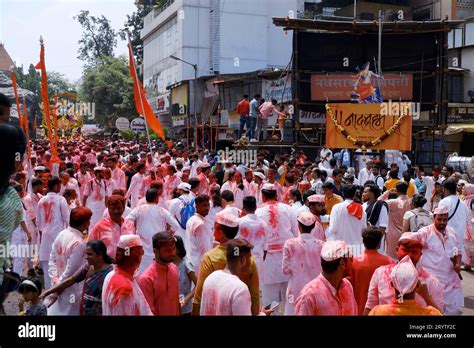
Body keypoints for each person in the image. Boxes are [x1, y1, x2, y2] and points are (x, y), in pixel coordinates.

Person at [192, 212, 260, 316]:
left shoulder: (210, 258)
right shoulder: (247, 258)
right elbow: (255, 294)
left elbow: (198, 297)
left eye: (214, 228)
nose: (213, 231)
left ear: (220, 231)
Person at [364, 232, 444, 315]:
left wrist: (426, 296)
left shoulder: (431, 281)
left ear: (420, 255)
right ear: (396, 250)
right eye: (405, 250)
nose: (408, 256)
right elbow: (370, 305)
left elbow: (440, 312)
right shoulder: (380, 273)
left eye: (414, 252)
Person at [411, 207, 464, 315]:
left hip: (451, 281)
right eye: (439, 219)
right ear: (433, 218)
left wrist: (458, 263)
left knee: (452, 311)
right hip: (432, 281)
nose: (442, 222)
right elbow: (408, 244)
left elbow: (458, 251)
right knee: (432, 311)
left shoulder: (452, 233)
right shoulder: (425, 233)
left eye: (445, 219)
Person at [40, 240, 114, 316]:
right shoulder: (88, 267)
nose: (86, 257)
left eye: (90, 254)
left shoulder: (111, 272)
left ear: (100, 255)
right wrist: (49, 291)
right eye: (86, 254)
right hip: (86, 310)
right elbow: (70, 280)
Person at [256, 183, 299, 313]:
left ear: (262, 196)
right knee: (289, 299)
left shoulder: (258, 212)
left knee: (270, 301)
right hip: (288, 260)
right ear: (277, 195)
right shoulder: (288, 209)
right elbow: (296, 233)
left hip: (268, 263)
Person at [47, 207, 92, 315]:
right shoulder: (79, 243)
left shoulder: (62, 234)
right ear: (85, 223)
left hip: (59, 283)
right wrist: (58, 286)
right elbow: (70, 271)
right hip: (70, 288)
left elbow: (52, 260)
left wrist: (55, 280)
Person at [125, 188, 181, 274]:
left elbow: (127, 220)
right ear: (156, 199)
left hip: (143, 245)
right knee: (157, 272)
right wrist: (169, 233)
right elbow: (176, 226)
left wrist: (133, 234)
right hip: (159, 246)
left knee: (142, 271)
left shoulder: (139, 209)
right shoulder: (162, 211)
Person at [294, 240, 357, 315]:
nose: (353, 262)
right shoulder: (308, 297)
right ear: (342, 264)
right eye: (351, 259)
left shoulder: (347, 286)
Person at [368, 255, 442, 316]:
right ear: (417, 285)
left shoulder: (377, 312)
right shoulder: (431, 313)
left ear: (391, 284)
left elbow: (401, 300)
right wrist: (426, 297)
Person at [282, 211, 324, 315]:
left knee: (293, 311)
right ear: (314, 227)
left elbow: (285, 270)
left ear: (299, 226)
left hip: (295, 289)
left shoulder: (290, 244)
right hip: (316, 289)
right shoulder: (322, 245)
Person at [102, 235, 152, 315]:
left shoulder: (110, 275)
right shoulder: (125, 289)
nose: (142, 255)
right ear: (136, 256)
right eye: (141, 252)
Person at [36, 176, 70, 290]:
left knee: (47, 272)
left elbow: (38, 224)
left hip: (45, 240)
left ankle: (49, 298)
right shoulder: (61, 199)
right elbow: (67, 219)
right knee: (60, 269)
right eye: (59, 186)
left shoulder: (41, 201)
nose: (60, 188)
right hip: (59, 239)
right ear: (55, 186)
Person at [350, 227, 391, 315]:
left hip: (359, 308)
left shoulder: (354, 262)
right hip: (381, 310)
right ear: (379, 244)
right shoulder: (388, 262)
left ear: (363, 243)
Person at [138, 232, 180, 316]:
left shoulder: (174, 269)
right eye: (167, 250)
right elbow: (148, 312)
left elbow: (176, 302)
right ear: (155, 252)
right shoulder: (146, 279)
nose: (172, 253)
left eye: (173, 248)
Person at [88, 195, 131, 260]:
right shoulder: (100, 227)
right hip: (107, 267)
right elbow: (90, 246)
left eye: (118, 208)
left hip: (127, 266)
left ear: (124, 208)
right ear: (108, 209)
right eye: (113, 208)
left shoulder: (130, 225)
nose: (116, 211)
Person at [236, 196, 268, 285]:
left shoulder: (239, 222)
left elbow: (235, 244)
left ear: (243, 208)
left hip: (242, 261)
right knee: (256, 291)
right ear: (255, 207)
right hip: (258, 261)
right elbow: (265, 250)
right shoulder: (263, 224)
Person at [438, 179, 469, 263]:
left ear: (445, 189)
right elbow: (467, 221)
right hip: (459, 240)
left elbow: (438, 220)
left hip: (447, 239)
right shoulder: (463, 203)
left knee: (445, 266)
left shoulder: (444, 202)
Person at [379, 182, 411, 259]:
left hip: (392, 234)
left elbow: (378, 202)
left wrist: (388, 192)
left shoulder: (392, 202)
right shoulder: (411, 202)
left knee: (392, 258)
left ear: (396, 190)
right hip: (407, 233)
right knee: (403, 257)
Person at [185, 195, 212, 276]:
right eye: (204, 206)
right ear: (197, 206)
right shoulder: (200, 224)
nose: (207, 208)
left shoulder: (192, 219)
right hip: (200, 264)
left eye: (208, 205)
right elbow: (205, 249)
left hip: (192, 261)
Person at [173, 235, 197, 316]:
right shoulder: (167, 265)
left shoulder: (186, 264)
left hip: (185, 308)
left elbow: (198, 285)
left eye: (173, 248)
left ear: (179, 249)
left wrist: (186, 299)